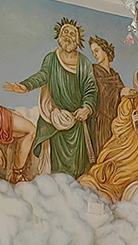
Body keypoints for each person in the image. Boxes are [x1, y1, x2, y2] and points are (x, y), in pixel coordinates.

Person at [5, 17, 99, 178]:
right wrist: (26, 86)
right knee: (54, 163)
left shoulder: (84, 63)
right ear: (59, 36)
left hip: (76, 121)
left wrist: (87, 108)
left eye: (72, 33)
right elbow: (42, 76)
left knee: (76, 166)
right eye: (65, 32)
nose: (68, 35)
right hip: (55, 118)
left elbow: (91, 88)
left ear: (78, 40)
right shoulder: (52, 58)